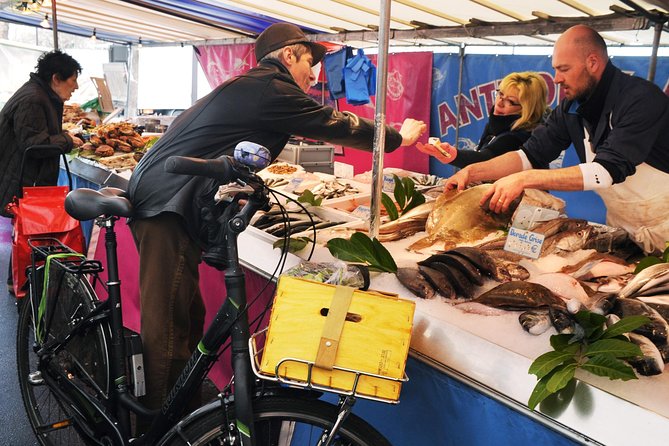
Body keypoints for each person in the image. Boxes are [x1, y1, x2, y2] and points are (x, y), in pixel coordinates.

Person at [127, 22, 426, 413]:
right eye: (309, 62)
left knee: (188, 312)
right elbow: (333, 123)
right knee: (167, 323)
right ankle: (158, 425)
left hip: (175, 197)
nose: (313, 74)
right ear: (288, 55)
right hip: (167, 203)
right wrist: (397, 136)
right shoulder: (271, 86)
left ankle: (181, 410)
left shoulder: (258, 87)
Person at [444, 24, 669, 255]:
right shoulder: (570, 108)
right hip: (624, 227)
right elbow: (529, 155)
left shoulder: (640, 99)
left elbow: (606, 171)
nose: (556, 79)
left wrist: (525, 179)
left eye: (563, 69)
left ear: (592, 62)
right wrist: (473, 171)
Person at [0, 49, 82, 293]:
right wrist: (67, 140)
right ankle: (22, 284)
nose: (76, 86)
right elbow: (34, 144)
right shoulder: (34, 98)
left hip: (23, 173)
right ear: (56, 78)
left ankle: (20, 280)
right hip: (21, 175)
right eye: (73, 79)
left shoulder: (40, 94)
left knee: (25, 230)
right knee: (27, 230)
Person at [417, 71, 549, 168]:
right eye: (500, 94)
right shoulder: (497, 125)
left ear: (527, 109)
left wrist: (454, 155)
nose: (499, 103)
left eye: (510, 101)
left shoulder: (521, 136)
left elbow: (487, 158)